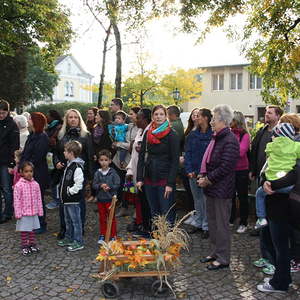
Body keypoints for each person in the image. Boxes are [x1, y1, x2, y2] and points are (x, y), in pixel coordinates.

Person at [198, 104, 239, 270]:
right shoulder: (217, 137)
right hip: (213, 188)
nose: (212, 122)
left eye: (214, 118)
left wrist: (207, 179)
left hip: (222, 189)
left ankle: (223, 258)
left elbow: (226, 166)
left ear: (222, 120)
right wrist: (204, 175)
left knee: (221, 225)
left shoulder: (229, 139)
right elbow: (210, 162)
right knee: (213, 223)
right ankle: (214, 252)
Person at [250, 105, 283, 275]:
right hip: (261, 179)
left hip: (274, 185)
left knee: (272, 224)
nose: (266, 114)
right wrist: (253, 171)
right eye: (266, 112)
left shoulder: (282, 134)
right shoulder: (263, 131)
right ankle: (265, 255)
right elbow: (255, 151)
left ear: (278, 116)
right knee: (263, 222)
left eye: (270, 112)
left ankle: (273, 260)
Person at [53, 109, 94, 239]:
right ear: (66, 119)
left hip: (78, 175)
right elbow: (55, 153)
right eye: (70, 117)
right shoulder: (61, 135)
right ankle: (64, 229)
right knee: (63, 203)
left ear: (79, 119)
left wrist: (89, 177)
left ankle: (78, 229)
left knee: (79, 203)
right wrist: (57, 162)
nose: (73, 119)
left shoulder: (85, 135)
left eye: (75, 117)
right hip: (63, 174)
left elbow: (89, 157)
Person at [136, 105, 180, 225]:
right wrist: (139, 178)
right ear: (152, 117)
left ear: (166, 116)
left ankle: (168, 241)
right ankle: (156, 241)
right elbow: (141, 157)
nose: (158, 117)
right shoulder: (148, 133)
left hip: (164, 179)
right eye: (156, 114)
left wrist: (170, 184)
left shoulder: (172, 135)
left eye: (161, 114)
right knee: (154, 212)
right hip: (149, 177)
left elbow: (175, 161)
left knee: (166, 212)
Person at [255, 123, 300, 229]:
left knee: (259, 194)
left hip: (270, 182)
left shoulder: (270, 146)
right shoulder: (295, 145)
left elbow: (265, 161)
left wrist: (269, 184)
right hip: (288, 187)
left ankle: (261, 218)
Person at [184, 108, 212, 238]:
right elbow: (187, 153)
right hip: (193, 172)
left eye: (199, 116)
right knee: (197, 199)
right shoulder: (192, 135)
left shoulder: (213, 135)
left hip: (207, 173)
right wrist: (189, 170)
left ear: (206, 118)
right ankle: (198, 222)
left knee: (207, 200)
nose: (196, 118)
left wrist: (207, 173)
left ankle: (207, 225)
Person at [20, 112, 49, 233]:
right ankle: (34, 222)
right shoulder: (32, 135)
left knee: (38, 198)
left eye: (31, 119)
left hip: (37, 172)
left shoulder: (42, 137)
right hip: (28, 171)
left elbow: (37, 156)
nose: (29, 121)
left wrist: (27, 168)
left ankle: (41, 224)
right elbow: (26, 152)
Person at [126, 108, 152, 237]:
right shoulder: (140, 131)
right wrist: (130, 170)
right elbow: (135, 155)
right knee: (140, 201)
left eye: (139, 118)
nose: (136, 120)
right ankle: (142, 224)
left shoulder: (150, 131)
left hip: (145, 174)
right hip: (137, 171)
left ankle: (147, 228)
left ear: (145, 119)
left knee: (146, 202)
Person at [57, 141, 85, 252]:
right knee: (68, 220)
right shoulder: (69, 165)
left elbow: (79, 184)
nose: (64, 153)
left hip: (72, 200)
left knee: (76, 221)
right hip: (66, 201)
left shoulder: (77, 167)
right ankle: (69, 238)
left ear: (71, 153)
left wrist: (70, 192)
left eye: (65, 151)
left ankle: (78, 241)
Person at [14, 161, 43, 255]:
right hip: (23, 213)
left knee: (32, 229)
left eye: (31, 171)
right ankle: (24, 245)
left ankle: (32, 244)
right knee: (24, 230)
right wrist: (18, 213)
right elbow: (17, 200)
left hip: (33, 211)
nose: (29, 173)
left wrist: (40, 210)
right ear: (21, 172)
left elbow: (39, 198)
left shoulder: (36, 184)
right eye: (26, 171)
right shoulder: (19, 185)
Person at [116, 106, 140, 219]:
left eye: (131, 114)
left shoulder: (140, 129)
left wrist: (119, 144)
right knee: (126, 185)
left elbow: (132, 145)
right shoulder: (129, 126)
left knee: (135, 186)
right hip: (125, 159)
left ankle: (137, 209)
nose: (129, 116)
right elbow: (125, 141)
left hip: (134, 159)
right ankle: (124, 207)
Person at [230, 111, 251, 233]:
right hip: (230, 170)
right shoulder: (229, 133)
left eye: (231, 120)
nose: (229, 122)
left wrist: (228, 151)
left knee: (243, 197)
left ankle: (244, 222)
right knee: (230, 196)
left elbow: (241, 152)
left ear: (237, 121)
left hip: (242, 170)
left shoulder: (245, 135)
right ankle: (231, 219)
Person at [93, 150, 120, 243]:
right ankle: (103, 234)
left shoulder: (113, 173)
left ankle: (113, 235)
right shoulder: (97, 173)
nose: (103, 162)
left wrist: (110, 187)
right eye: (101, 160)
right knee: (102, 218)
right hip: (101, 199)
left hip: (110, 199)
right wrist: (100, 185)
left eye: (106, 160)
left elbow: (117, 184)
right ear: (99, 161)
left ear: (110, 161)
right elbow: (94, 185)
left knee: (111, 218)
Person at [0, 99, 20, 224]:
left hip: (6, 162)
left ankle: (7, 213)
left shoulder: (12, 125)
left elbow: (15, 146)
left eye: (3, 113)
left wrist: (12, 164)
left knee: (7, 189)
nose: (1, 115)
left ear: (8, 112)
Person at [45, 110, 63, 210]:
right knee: (52, 177)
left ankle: (57, 200)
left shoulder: (58, 127)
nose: (47, 117)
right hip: (50, 155)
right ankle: (55, 199)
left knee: (55, 178)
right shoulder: (50, 126)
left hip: (56, 155)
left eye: (48, 115)